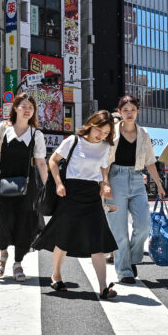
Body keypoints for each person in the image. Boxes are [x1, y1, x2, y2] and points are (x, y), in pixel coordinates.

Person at [34, 110, 119, 298]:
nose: (102, 136)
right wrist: (58, 183)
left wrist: (105, 183)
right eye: (100, 131)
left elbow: (104, 167)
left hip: (92, 195)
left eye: (106, 133)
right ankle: (56, 275)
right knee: (63, 239)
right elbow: (53, 161)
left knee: (97, 241)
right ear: (91, 124)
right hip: (70, 193)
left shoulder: (105, 147)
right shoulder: (72, 141)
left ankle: (103, 287)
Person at [0, 93, 49, 282]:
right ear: (15, 108)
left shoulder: (36, 134)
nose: (27, 110)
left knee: (25, 223)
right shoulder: (3, 129)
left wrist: (49, 186)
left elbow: (41, 163)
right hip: (4, 182)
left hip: (28, 186)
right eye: (24, 106)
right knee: (4, 221)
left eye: (31, 108)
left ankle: (18, 263)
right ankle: (3, 255)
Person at [106, 95, 165, 284]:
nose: (129, 113)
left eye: (132, 110)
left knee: (144, 225)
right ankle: (124, 271)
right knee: (119, 230)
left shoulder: (144, 134)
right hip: (116, 179)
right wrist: (104, 183)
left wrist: (159, 183)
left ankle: (130, 259)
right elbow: (104, 162)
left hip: (138, 179)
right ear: (119, 112)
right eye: (125, 110)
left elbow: (150, 162)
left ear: (138, 111)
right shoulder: (111, 132)